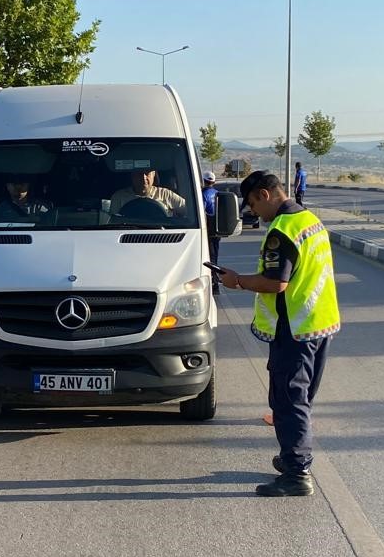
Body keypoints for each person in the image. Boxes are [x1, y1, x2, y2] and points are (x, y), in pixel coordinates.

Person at [215, 170, 341, 496]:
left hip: (295, 329)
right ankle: (291, 458)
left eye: (253, 205)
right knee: (301, 399)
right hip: (320, 322)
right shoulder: (310, 219)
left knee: (288, 401)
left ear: (265, 194)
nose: (254, 212)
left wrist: (237, 280)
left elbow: (276, 283)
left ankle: (297, 474)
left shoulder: (282, 231)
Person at [109, 166, 186, 217]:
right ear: (132, 176)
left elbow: (189, 211)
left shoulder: (165, 194)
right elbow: (113, 223)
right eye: (139, 173)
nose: (143, 178)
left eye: (147, 173)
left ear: (153, 175)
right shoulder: (119, 197)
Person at [201, 174, 222, 293]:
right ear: (213, 182)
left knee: (208, 256)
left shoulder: (203, 194)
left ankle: (213, 283)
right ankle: (215, 281)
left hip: (207, 229)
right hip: (217, 229)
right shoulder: (217, 193)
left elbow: (202, 212)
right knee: (215, 256)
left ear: (204, 181)